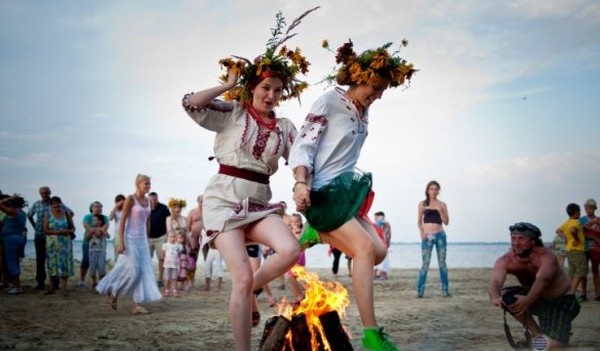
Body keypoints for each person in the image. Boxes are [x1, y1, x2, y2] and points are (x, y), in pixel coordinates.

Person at [180, 8, 318, 350]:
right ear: (253, 87)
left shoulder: (285, 127)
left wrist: (301, 181)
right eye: (266, 87)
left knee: (289, 248)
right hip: (224, 200)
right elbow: (190, 105)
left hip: (259, 201)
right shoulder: (234, 112)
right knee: (240, 278)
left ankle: (248, 287)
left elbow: (300, 158)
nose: (271, 95)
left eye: (278, 90)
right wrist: (228, 85)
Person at [290, 38, 416, 351]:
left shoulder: (364, 111)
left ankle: (316, 233)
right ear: (358, 78)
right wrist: (301, 183)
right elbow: (303, 146)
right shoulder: (328, 103)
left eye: (383, 89)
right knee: (363, 250)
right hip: (322, 193)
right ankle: (371, 334)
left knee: (380, 250)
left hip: (346, 194)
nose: (377, 95)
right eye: (374, 87)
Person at [488, 222, 580, 348]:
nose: (516, 243)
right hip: (538, 301)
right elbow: (495, 281)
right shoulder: (507, 259)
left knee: (554, 345)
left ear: (533, 241)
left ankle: (555, 337)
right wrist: (495, 297)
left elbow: (543, 280)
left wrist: (528, 300)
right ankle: (537, 333)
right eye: (513, 238)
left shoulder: (547, 256)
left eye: (521, 238)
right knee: (507, 297)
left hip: (562, 302)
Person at [96, 174, 162, 315]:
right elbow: (123, 221)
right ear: (138, 184)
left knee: (143, 272)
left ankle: (137, 305)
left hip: (143, 240)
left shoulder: (148, 201)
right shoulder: (130, 199)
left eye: (149, 184)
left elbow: (148, 221)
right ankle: (114, 291)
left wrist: (147, 237)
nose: (148, 186)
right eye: (146, 184)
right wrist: (121, 242)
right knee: (134, 270)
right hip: (130, 238)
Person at [27, 186, 73, 290]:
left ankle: (55, 284)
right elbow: (29, 215)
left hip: (54, 237)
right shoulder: (37, 204)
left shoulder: (56, 203)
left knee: (54, 260)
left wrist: (64, 225)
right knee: (40, 260)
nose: (44, 195)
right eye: (42, 193)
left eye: (46, 193)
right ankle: (40, 282)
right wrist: (34, 226)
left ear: (50, 192)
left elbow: (70, 212)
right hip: (39, 235)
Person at [416, 180, 450, 298]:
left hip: (440, 234)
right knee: (425, 263)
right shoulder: (422, 204)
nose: (433, 191)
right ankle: (420, 291)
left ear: (438, 191)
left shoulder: (442, 204)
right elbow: (419, 221)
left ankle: (445, 290)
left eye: (436, 189)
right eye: (431, 189)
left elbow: (446, 222)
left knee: (442, 263)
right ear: (427, 190)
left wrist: (441, 212)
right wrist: (422, 233)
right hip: (427, 236)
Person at [43, 196, 76, 295]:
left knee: (64, 264)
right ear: (51, 205)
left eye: (58, 203)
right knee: (52, 264)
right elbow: (45, 230)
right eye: (54, 204)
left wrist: (68, 231)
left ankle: (63, 288)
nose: (56, 205)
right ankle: (51, 288)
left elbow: (73, 228)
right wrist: (58, 232)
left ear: (61, 203)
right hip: (52, 243)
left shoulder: (67, 214)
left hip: (65, 242)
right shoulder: (47, 214)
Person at [556, 203, 587, 302]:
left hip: (569, 249)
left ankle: (566, 293)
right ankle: (571, 294)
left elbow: (557, 230)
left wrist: (564, 237)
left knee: (572, 271)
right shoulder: (575, 222)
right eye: (579, 212)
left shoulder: (567, 222)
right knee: (582, 269)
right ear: (576, 212)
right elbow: (573, 230)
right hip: (577, 249)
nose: (580, 214)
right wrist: (577, 238)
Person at [0, 194, 28, 294]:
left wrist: (7, 199)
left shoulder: (13, 211)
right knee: (15, 261)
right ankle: (15, 284)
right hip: (18, 237)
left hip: (10, 239)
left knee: (11, 262)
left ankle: (17, 286)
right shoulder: (22, 213)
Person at [78, 201, 109, 288]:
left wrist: (98, 231)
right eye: (95, 206)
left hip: (101, 245)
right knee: (86, 260)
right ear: (91, 208)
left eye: (100, 207)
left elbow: (105, 227)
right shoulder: (87, 217)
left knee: (100, 264)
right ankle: (82, 280)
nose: (98, 208)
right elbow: (87, 226)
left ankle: (100, 282)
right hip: (87, 243)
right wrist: (96, 230)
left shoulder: (105, 217)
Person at [148, 192, 171, 286]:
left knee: (161, 259)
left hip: (161, 237)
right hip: (148, 238)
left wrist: (167, 234)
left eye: (155, 199)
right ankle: (148, 279)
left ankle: (160, 280)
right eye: (151, 200)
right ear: (148, 199)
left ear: (157, 198)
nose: (153, 201)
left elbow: (169, 220)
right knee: (147, 260)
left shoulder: (164, 208)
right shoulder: (145, 208)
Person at [580, 198, 600, 301]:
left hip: (596, 248)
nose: (589, 210)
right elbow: (580, 233)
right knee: (584, 271)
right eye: (587, 208)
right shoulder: (581, 220)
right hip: (584, 248)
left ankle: (598, 293)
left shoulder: (599, 220)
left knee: (596, 271)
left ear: (595, 208)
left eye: (591, 208)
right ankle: (583, 293)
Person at [186, 194, 204, 284]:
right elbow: (187, 228)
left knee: (208, 260)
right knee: (192, 260)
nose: (203, 203)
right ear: (198, 202)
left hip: (206, 239)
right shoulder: (192, 212)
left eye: (205, 201)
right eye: (201, 201)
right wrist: (190, 239)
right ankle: (190, 280)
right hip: (194, 238)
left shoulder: (209, 212)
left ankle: (207, 282)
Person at [88, 214, 108, 287]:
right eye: (93, 220)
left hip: (101, 251)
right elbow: (87, 238)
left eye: (95, 220)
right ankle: (94, 281)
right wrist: (91, 232)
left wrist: (103, 231)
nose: (93, 221)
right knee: (92, 267)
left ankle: (101, 282)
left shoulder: (103, 229)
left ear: (100, 221)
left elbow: (108, 236)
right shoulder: (91, 229)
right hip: (92, 251)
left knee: (101, 267)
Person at [161, 232, 183, 297]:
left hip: (175, 265)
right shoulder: (165, 245)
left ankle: (174, 291)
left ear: (176, 238)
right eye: (171, 237)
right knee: (167, 278)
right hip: (167, 265)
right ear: (167, 238)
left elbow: (179, 254)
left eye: (174, 237)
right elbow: (163, 254)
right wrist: (163, 260)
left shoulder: (178, 246)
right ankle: (166, 290)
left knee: (174, 278)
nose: (172, 238)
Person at [373, 211, 392, 281]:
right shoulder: (377, 223)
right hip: (380, 242)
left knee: (384, 259)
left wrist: (388, 241)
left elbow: (388, 233)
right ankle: (377, 273)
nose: (375, 218)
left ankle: (383, 274)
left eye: (376, 217)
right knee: (379, 258)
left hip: (383, 242)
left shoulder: (384, 223)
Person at [109, 194, 126, 262]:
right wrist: (116, 206)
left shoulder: (127, 210)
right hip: (118, 234)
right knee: (118, 254)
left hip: (127, 234)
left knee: (126, 255)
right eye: (118, 201)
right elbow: (110, 218)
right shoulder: (115, 211)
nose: (121, 203)